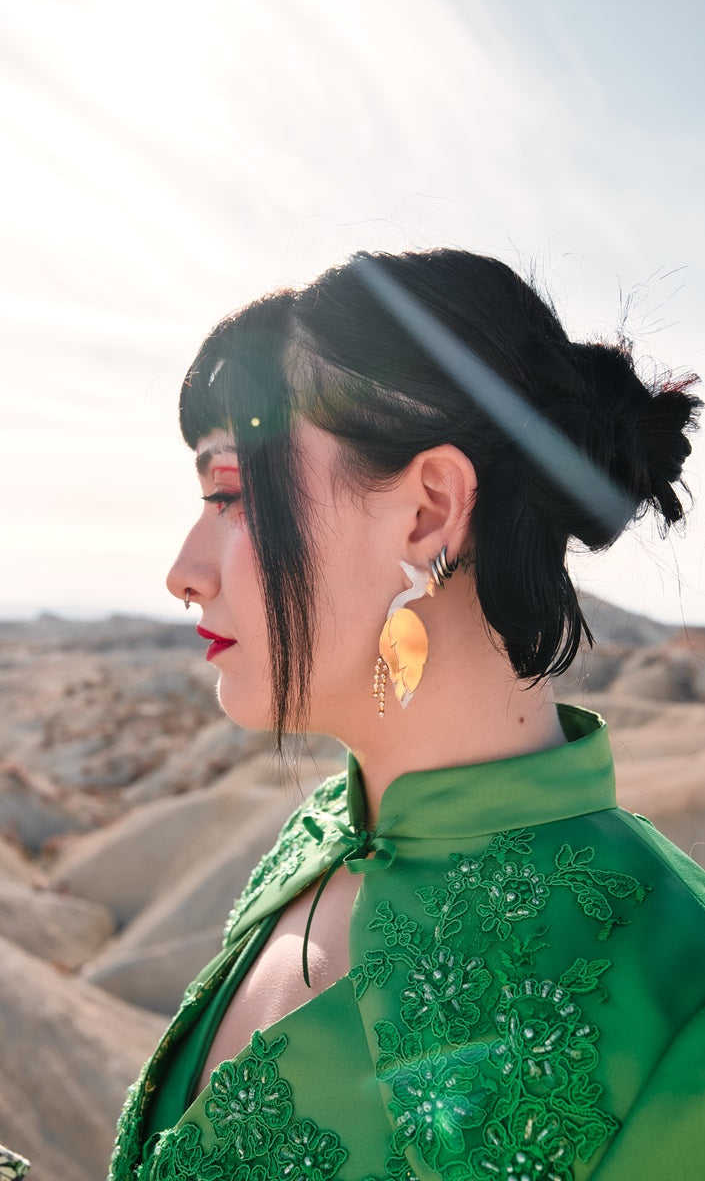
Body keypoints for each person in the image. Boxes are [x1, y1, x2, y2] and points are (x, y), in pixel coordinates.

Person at [108, 249, 704, 1181]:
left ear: (428, 510)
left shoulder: (679, 996)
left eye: (231, 496)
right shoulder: (313, 843)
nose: (182, 573)